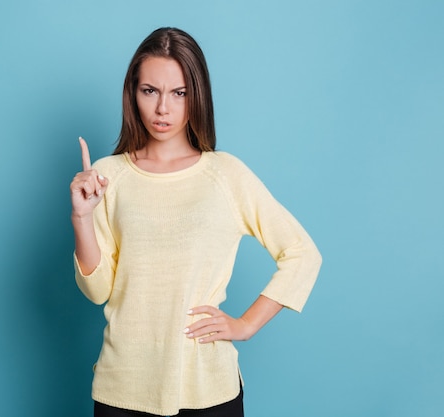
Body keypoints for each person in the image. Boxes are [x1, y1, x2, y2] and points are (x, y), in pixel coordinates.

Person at [70, 27, 322, 417]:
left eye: (179, 93)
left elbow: (302, 254)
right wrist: (81, 218)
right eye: (149, 91)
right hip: (123, 387)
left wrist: (246, 325)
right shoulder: (108, 176)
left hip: (208, 390)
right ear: (132, 93)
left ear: (196, 96)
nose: (162, 109)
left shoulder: (225, 175)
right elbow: (98, 291)